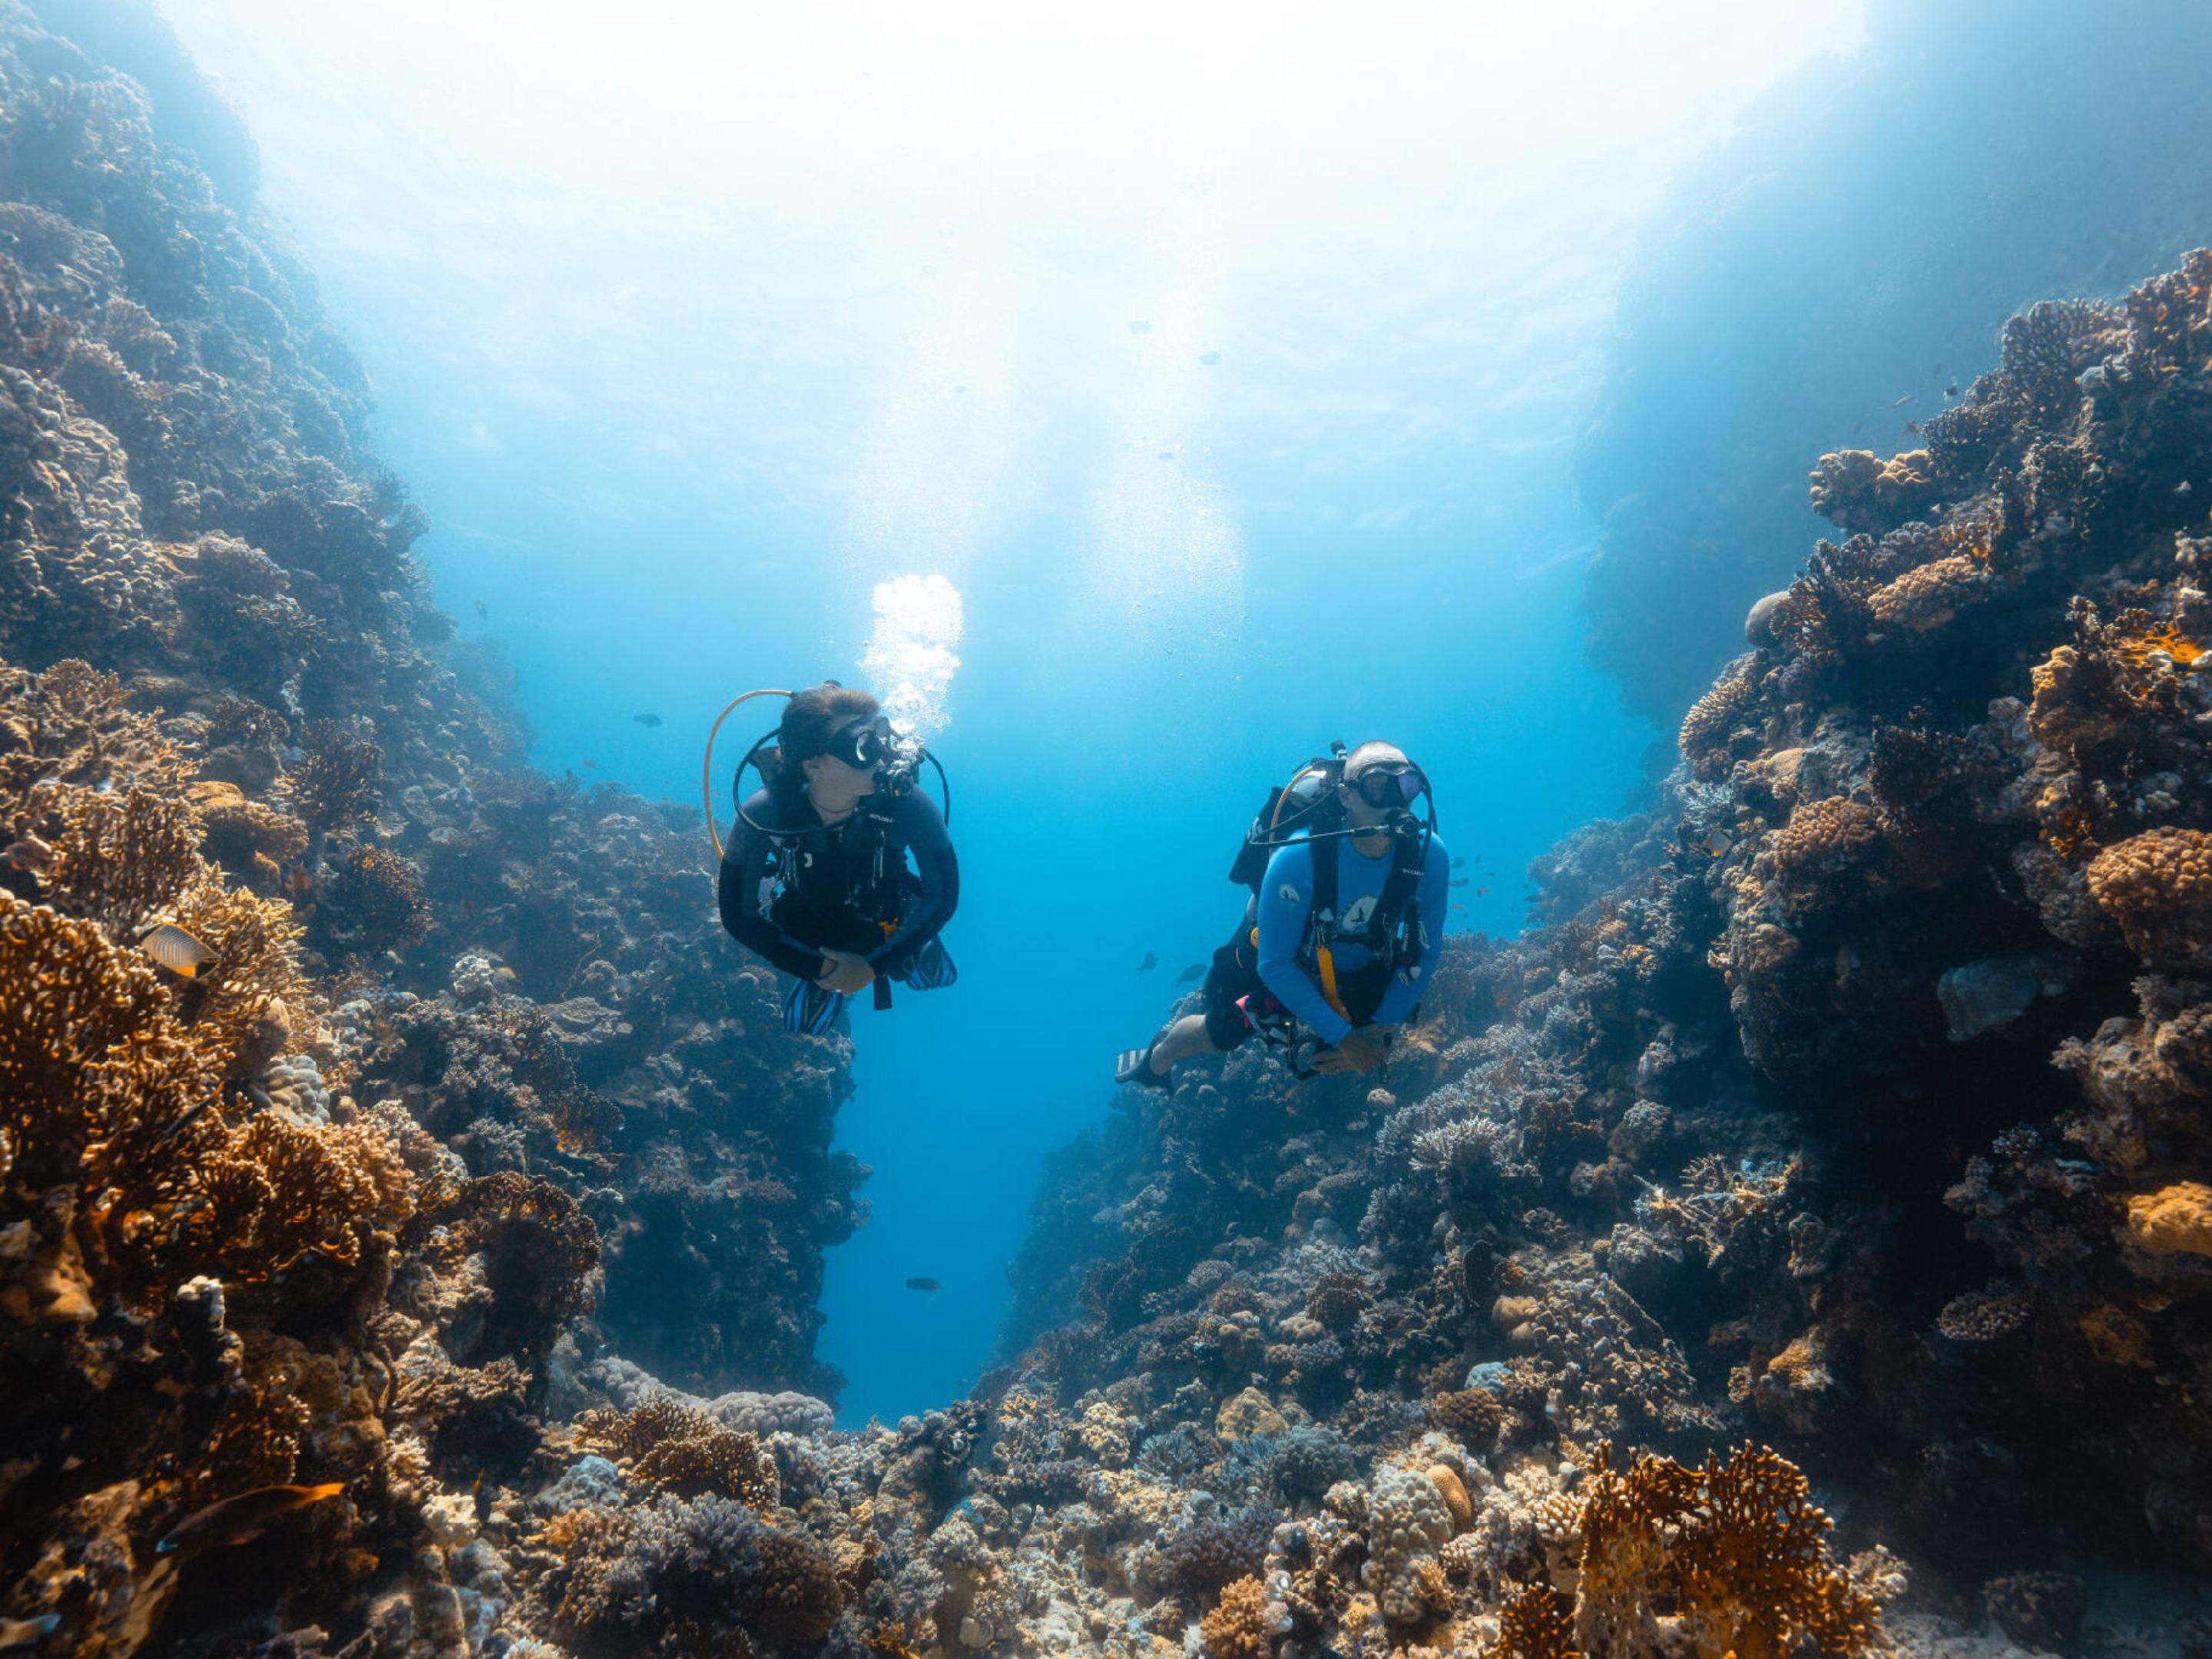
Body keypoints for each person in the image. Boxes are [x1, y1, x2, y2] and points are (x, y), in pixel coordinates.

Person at [1115, 740, 1447, 1086]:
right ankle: (1156, 1059)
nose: (1395, 801)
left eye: (1407, 786)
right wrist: (1346, 1040)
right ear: (1347, 796)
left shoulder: (1428, 856)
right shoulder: (1297, 858)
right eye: (1378, 786)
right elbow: (1274, 965)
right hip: (1282, 959)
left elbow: (1426, 950)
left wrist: (1379, 1032)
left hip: (1359, 967)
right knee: (1216, 1035)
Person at [718, 683, 959, 1034]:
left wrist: (875, 967)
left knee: (905, 925)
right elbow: (738, 915)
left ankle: (915, 945)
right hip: (811, 915)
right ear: (815, 764)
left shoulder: (906, 803)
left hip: (888, 908)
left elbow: (944, 896)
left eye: (880, 737)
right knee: (799, 926)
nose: (881, 758)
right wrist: (816, 969)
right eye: (864, 746)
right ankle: (826, 981)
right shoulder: (767, 812)